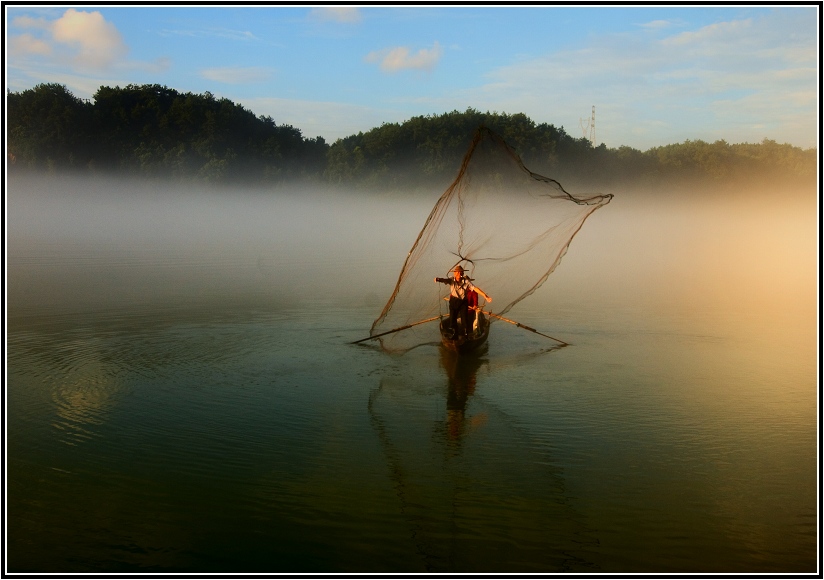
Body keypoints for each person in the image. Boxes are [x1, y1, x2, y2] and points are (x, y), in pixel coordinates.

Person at [434, 265, 491, 337]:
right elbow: (444, 280)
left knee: (464, 319)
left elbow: (475, 288)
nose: (458, 274)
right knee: (452, 319)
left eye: (460, 273)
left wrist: (485, 296)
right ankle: (455, 333)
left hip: (463, 302)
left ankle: (466, 333)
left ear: (462, 274)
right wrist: (438, 279)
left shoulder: (466, 282)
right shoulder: (451, 280)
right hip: (453, 302)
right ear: (454, 273)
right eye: (457, 273)